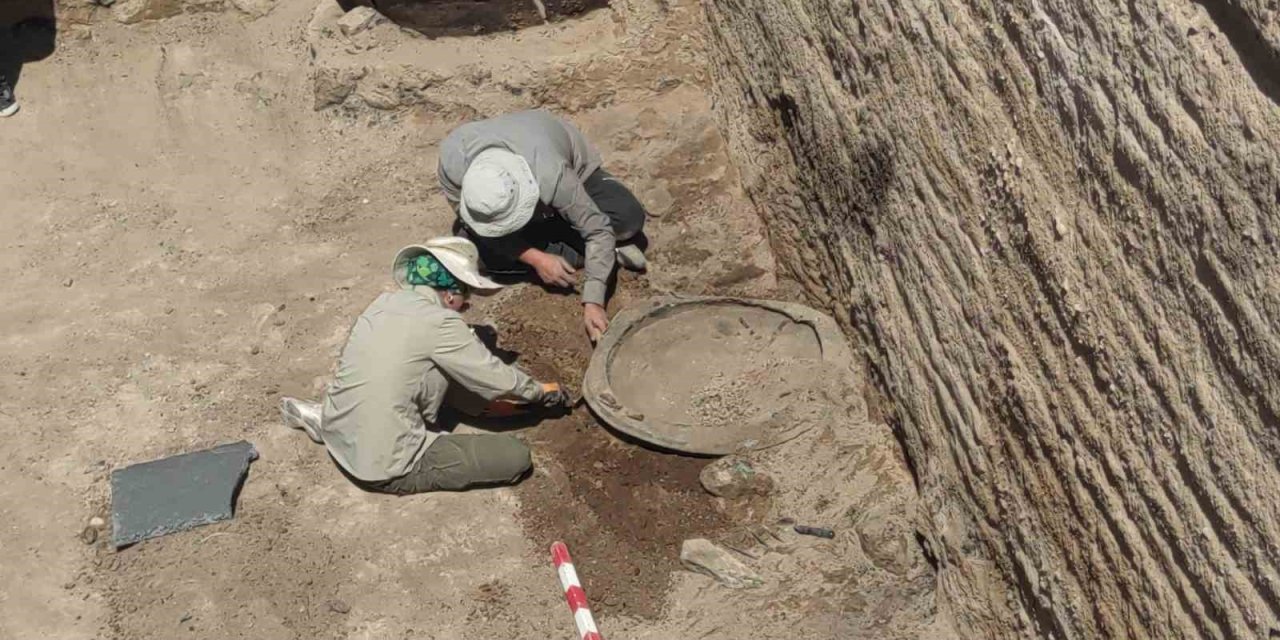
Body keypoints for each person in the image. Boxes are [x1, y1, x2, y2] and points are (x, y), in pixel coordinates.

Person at [280, 237, 569, 495]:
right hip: (383, 467)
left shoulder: (383, 304)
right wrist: (542, 392)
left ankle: (327, 422)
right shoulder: (441, 322)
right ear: (451, 294)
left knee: (433, 368)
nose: (466, 304)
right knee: (514, 456)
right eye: (465, 296)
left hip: (339, 427)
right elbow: (497, 378)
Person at [437, 109, 649, 342]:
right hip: (533, 207)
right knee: (473, 253)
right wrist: (536, 259)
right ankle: (604, 252)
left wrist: (594, 301)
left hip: (574, 176)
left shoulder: (551, 172)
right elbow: (472, 223)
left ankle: (598, 248)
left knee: (626, 218)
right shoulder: (452, 165)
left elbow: (597, 228)